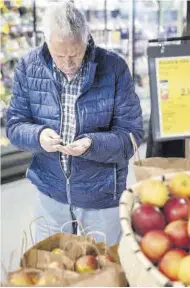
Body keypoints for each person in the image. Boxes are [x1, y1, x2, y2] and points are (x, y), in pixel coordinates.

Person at [6, 1, 143, 246]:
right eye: (60, 55)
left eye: (75, 54)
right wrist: (38, 136)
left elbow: (131, 135)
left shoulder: (114, 68)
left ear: (87, 39)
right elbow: (15, 126)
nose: (69, 64)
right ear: (46, 42)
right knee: (52, 272)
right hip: (51, 193)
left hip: (102, 196)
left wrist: (92, 144)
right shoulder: (28, 67)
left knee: (103, 273)